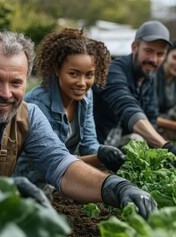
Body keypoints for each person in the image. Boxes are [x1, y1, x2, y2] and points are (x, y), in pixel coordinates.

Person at [0, 30, 156, 219]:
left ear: (26, 81)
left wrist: (114, 187)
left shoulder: (29, 116)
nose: (6, 93)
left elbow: (61, 164)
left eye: (16, 83)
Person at [93, 20, 176, 169]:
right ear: (135, 47)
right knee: (137, 140)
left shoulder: (148, 78)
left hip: (118, 144)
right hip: (96, 147)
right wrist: (167, 147)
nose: (153, 60)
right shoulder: (114, 71)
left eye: (160, 54)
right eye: (148, 51)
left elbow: (151, 118)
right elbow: (128, 109)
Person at [22, 28, 125, 174]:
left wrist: (105, 152)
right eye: (73, 74)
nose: (82, 83)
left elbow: (89, 143)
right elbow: (52, 160)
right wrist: (99, 158)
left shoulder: (86, 96)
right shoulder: (38, 103)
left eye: (89, 75)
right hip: (31, 179)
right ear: (57, 70)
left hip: (62, 176)